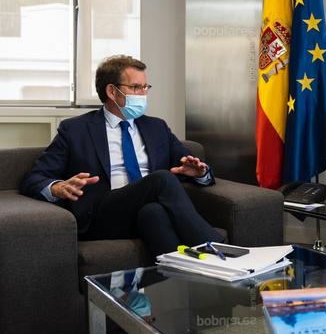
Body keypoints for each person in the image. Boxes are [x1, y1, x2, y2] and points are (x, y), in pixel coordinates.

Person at [19, 55, 224, 258]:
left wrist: (199, 173)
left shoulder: (156, 127)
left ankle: (182, 283)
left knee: (153, 213)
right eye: (136, 88)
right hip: (101, 216)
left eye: (146, 87)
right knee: (162, 179)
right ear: (111, 91)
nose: (143, 94)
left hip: (142, 212)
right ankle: (217, 248)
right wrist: (57, 187)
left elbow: (191, 165)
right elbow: (34, 178)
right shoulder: (75, 130)